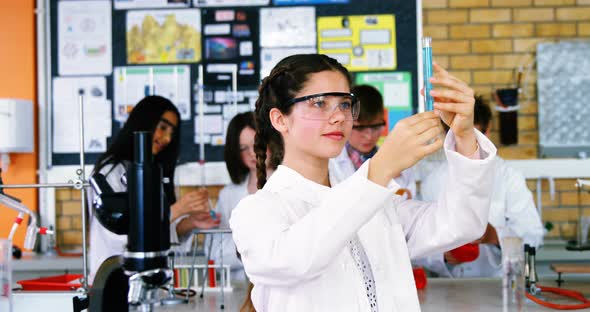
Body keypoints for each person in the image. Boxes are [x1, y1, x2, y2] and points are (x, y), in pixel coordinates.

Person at [229, 54, 497, 311]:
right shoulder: (256, 212)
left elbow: (463, 223)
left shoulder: (379, 206)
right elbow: (296, 261)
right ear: (280, 119)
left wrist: (464, 137)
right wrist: (381, 168)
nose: (338, 116)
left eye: (344, 104)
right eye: (319, 103)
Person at [88, 95, 219, 283]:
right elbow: (120, 236)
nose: (166, 138)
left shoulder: (150, 173)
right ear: (143, 122)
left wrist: (191, 222)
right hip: (113, 280)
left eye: (172, 133)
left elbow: (157, 235)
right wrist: (176, 210)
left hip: (141, 280)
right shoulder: (111, 173)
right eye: (163, 127)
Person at [413, 95, 544, 278]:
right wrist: (441, 256)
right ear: (448, 135)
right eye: (460, 137)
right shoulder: (434, 180)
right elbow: (417, 241)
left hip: (497, 287)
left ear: (487, 130)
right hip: (450, 291)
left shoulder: (508, 177)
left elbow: (533, 236)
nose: (467, 145)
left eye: (473, 136)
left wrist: (494, 235)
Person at [205, 111, 282, 282]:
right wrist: (252, 250)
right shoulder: (228, 195)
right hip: (238, 288)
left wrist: (244, 249)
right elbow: (214, 253)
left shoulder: (289, 185)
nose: (252, 153)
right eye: (243, 148)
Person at [330, 84, 416, 198]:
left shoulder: (398, 162)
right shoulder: (331, 164)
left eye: (376, 127)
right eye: (360, 128)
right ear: (344, 123)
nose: (369, 136)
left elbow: (408, 199)